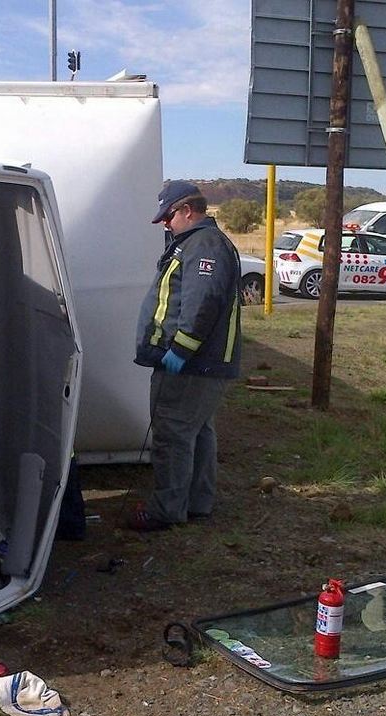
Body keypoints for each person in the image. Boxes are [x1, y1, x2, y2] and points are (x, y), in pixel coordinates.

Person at [130, 180, 242, 532]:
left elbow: (201, 303)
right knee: (198, 432)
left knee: (173, 433)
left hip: (192, 365)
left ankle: (166, 510)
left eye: (168, 216)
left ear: (187, 211)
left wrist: (180, 350)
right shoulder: (197, 243)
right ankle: (196, 502)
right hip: (202, 364)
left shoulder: (203, 247)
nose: (165, 223)